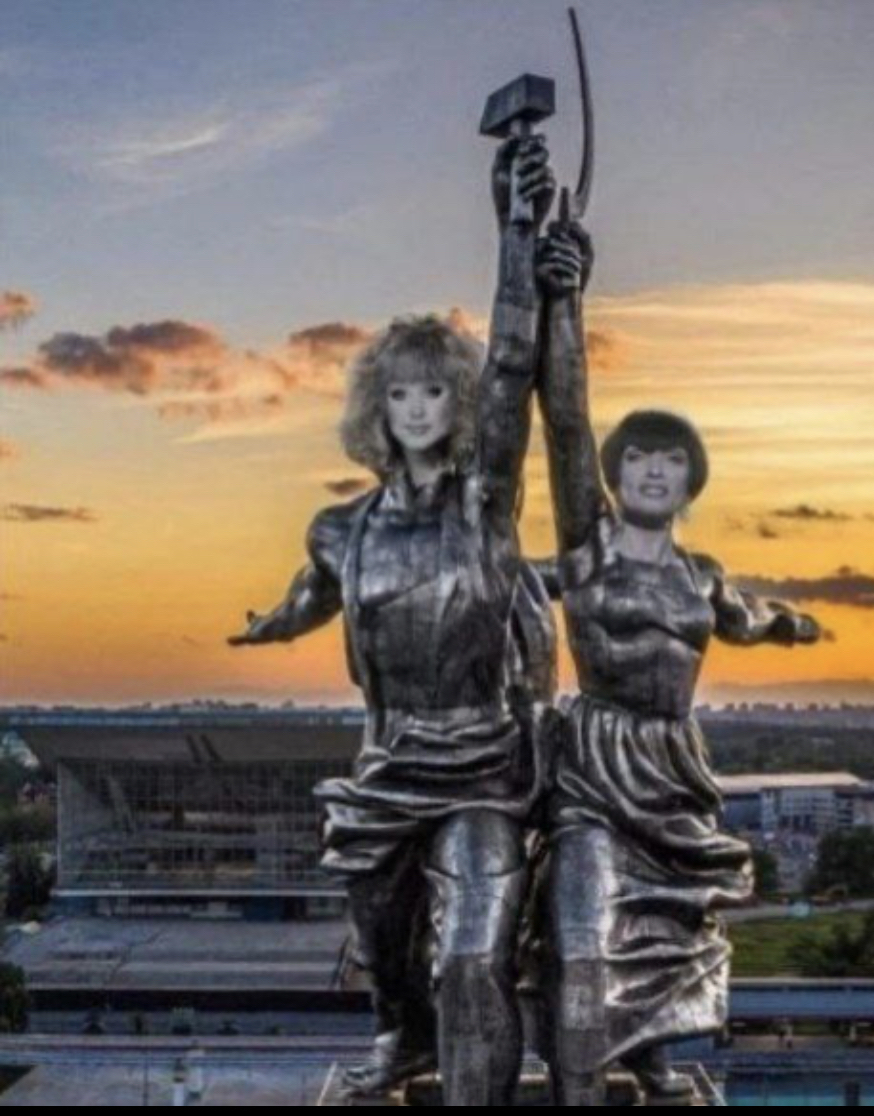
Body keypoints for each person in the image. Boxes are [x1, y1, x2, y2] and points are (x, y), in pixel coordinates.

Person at [229, 134, 557, 1106]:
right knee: (382, 936)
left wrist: (514, 234)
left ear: (455, 404)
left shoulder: (486, 504)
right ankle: (401, 1041)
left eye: (435, 390)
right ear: (380, 406)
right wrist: (269, 624)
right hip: (384, 771)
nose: (419, 407)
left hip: (481, 767)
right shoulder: (341, 528)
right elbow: (309, 594)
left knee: (471, 953)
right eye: (401, 391)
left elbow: (511, 367)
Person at [533, 218, 821, 1105]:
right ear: (618, 474)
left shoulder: (703, 574)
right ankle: (574, 1081)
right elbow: (568, 421)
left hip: (672, 767)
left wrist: (787, 627)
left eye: (671, 461)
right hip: (593, 766)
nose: (654, 472)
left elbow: (744, 619)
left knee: (666, 931)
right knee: (584, 938)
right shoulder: (585, 551)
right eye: (639, 458)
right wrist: (565, 297)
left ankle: (647, 1054)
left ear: (691, 481)